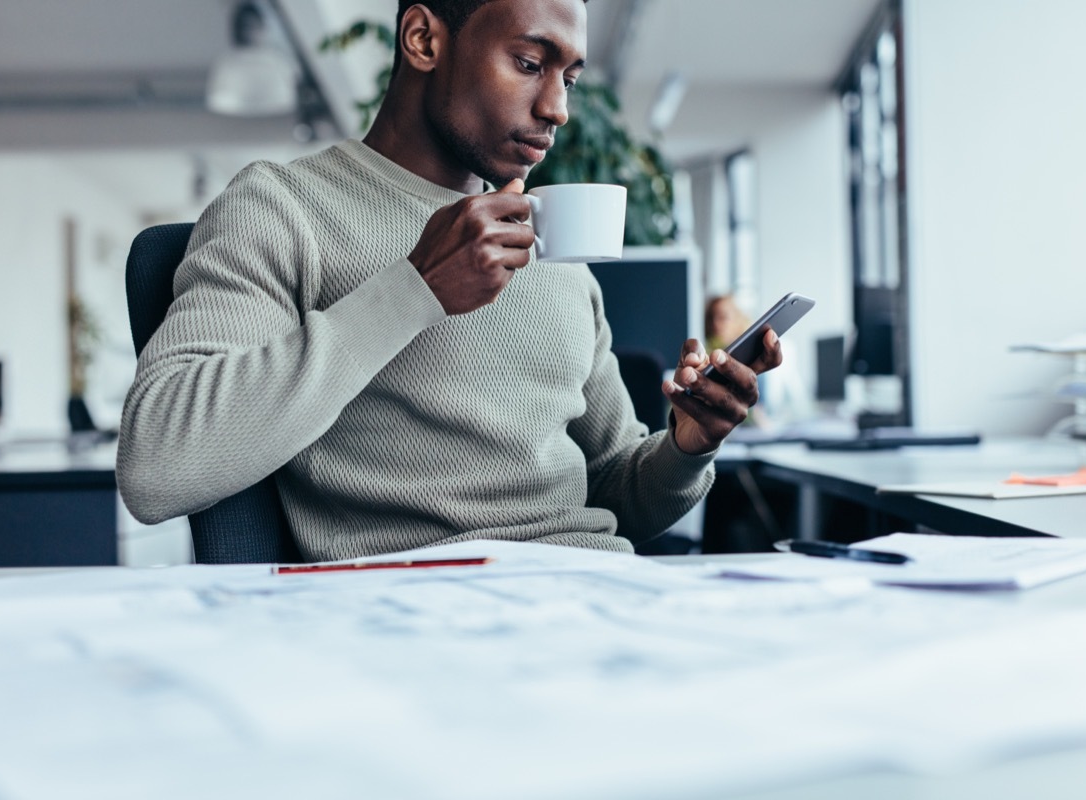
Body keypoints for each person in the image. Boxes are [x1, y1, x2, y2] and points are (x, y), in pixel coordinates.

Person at [117, 0, 782, 560]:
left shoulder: (556, 251)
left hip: (594, 595)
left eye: (570, 80)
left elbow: (616, 492)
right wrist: (414, 290)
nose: (558, 108)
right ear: (424, 40)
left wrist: (689, 447)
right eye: (529, 64)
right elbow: (157, 467)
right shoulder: (282, 210)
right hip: (420, 621)